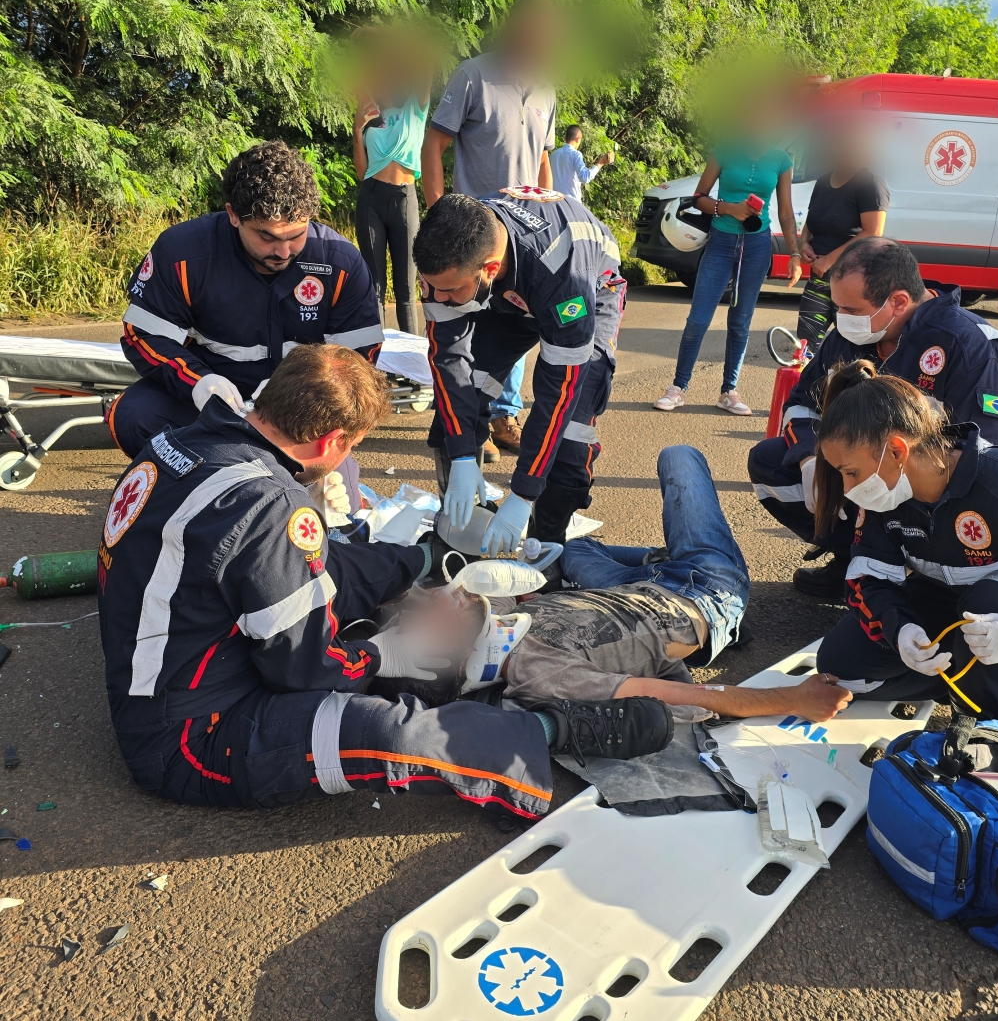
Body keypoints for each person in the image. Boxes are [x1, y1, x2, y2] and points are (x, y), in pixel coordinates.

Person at [97, 344, 672, 817]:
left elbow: (303, 565)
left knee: (343, 565)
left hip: (171, 665)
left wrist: (414, 564)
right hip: (189, 737)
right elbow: (301, 668)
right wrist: (380, 653)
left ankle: (421, 558)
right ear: (333, 444)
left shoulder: (186, 441)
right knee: (387, 730)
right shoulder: (270, 503)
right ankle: (551, 730)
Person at [391, 446, 853, 723]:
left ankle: (672, 554)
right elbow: (694, 697)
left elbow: (519, 584)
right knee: (679, 457)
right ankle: (692, 556)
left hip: (632, 585)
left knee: (565, 549)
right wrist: (796, 699)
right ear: (453, 657)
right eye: (429, 620)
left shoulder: (494, 619)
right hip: (707, 591)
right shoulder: (541, 675)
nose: (433, 600)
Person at [747, 237, 998, 599]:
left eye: (850, 309)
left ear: (898, 301)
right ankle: (856, 561)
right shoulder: (852, 335)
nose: (840, 320)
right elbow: (802, 403)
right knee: (771, 461)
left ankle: (923, 578)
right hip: (875, 469)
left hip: (937, 490)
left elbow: (983, 459)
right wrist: (809, 460)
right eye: (838, 308)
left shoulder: (970, 347)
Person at [110, 141, 383, 513]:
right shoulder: (183, 253)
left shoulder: (340, 263)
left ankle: (300, 482)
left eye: (296, 235)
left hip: (301, 406)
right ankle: (198, 488)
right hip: (214, 396)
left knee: (343, 513)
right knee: (133, 415)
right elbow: (143, 335)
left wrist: (315, 417)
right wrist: (199, 383)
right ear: (233, 215)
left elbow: (358, 365)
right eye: (267, 237)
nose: (284, 252)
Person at [812, 363, 998, 721]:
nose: (848, 490)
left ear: (896, 451)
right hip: (954, 604)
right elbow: (867, 579)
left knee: (989, 603)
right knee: (841, 667)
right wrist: (900, 629)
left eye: (850, 473)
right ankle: (962, 681)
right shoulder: (887, 494)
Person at [414, 191, 624, 555]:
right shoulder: (451, 257)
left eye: (446, 290)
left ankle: (546, 554)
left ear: (490, 269)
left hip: (589, 290)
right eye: (428, 285)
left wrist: (524, 492)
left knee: (570, 437)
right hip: (507, 293)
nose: (435, 297)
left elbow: (557, 396)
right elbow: (449, 361)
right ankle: (462, 538)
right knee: (457, 410)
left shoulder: (564, 277)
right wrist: (462, 454)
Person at [421, 0, 561, 459]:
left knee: (518, 324)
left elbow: (543, 158)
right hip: (472, 235)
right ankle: (460, 421)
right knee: (463, 327)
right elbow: (434, 143)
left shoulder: (546, 89)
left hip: (523, 240)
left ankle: (502, 414)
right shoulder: (472, 75)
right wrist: (440, 214)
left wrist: (547, 217)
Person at [654, 122, 802, 416]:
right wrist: (729, 208)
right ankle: (678, 387)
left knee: (741, 321)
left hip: (757, 245)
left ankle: (728, 392)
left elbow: (785, 211)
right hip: (721, 243)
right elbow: (699, 198)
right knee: (698, 319)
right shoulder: (723, 151)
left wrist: (795, 253)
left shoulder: (781, 160)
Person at [352, 27, 432, 335]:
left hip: (404, 199)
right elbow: (362, 172)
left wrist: (384, 37)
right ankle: (376, 361)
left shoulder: (416, 107)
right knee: (373, 285)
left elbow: (427, 60)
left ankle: (410, 365)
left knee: (405, 289)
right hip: (371, 198)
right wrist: (358, 129)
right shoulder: (372, 116)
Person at [794, 123, 888, 353]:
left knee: (850, 348)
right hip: (819, 276)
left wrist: (830, 260)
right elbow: (812, 220)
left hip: (852, 279)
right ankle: (807, 388)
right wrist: (804, 242)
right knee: (805, 344)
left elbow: (873, 232)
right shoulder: (824, 181)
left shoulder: (870, 184)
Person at [549, 125, 615, 202]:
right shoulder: (575, 154)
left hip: (554, 202)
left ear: (565, 138)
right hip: (571, 203)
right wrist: (601, 162)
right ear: (578, 139)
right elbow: (585, 177)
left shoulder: (553, 155)